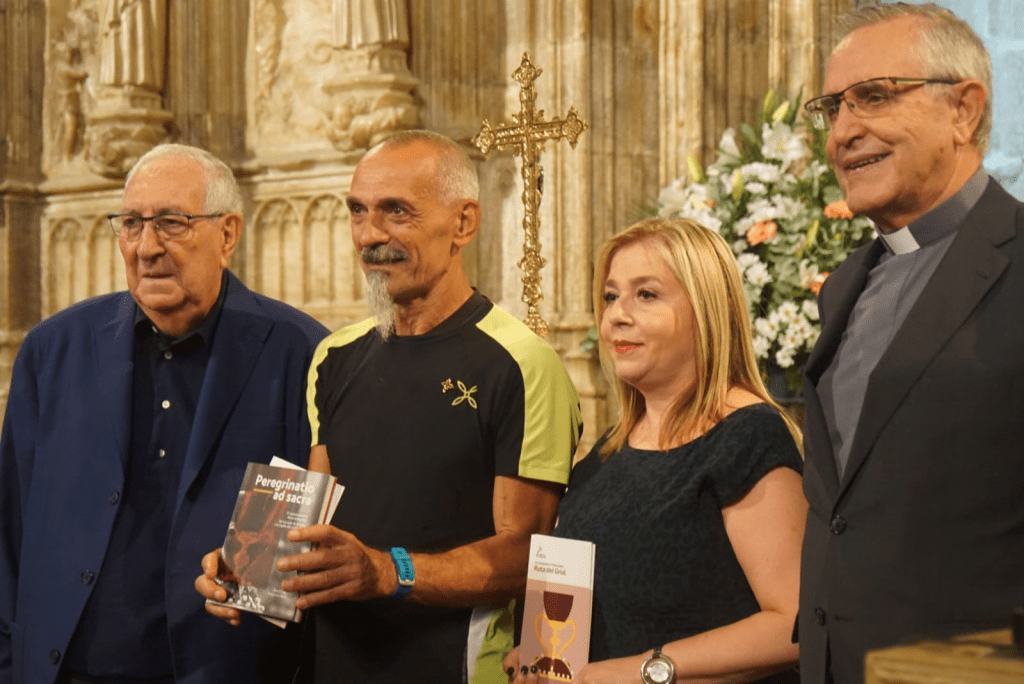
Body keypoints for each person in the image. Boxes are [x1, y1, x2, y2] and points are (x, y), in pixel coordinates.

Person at [197, 130, 584, 683]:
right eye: (358, 211)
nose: (370, 235)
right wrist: (249, 571)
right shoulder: (334, 355)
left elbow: (530, 556)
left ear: (464, 224)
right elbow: (311, 521)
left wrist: (387, 572)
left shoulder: (522, 363)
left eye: (395, 211)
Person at [0, 143, 329, 684]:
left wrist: (252, 589)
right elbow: (10, 535)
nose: (146, 246)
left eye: (172, 223)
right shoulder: (52, 350)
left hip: (219, 667)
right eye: (131, 223)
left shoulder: (301, 355)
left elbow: (295, 549)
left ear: (227, 234)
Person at [797, 5, 1024, 684]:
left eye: (873, 97)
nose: (843, 131)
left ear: (964, 108)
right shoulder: (842, 288)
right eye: (832, 108)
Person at [505, 216, 807, 684]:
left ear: (709, 310)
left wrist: (645, 671)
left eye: (646, 295)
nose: (616, 316)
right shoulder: (612, 446)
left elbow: (794, 625)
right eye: (611, 296)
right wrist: (541, 651)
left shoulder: (748, 437)